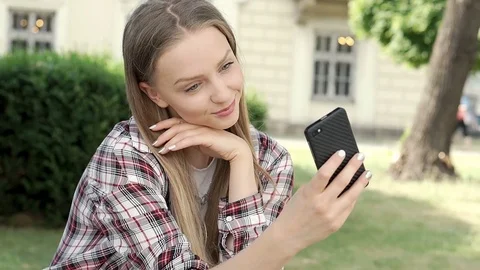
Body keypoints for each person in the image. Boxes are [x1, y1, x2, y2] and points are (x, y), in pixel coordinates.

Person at [47, 0, 372, 269]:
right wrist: (290, 235)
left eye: (226, 66)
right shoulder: (127, 158)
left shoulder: (268, 158)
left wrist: (241, 159)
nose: (223, 94)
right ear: (155, 94)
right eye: (193, 85)